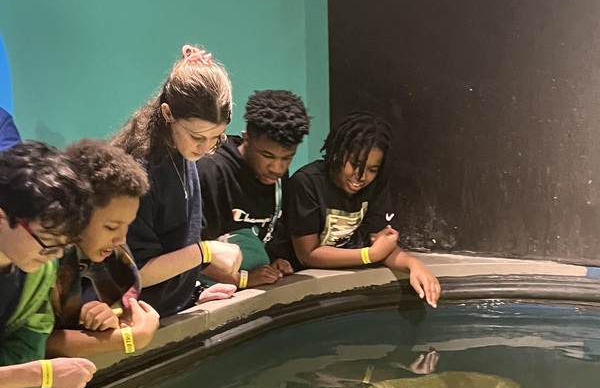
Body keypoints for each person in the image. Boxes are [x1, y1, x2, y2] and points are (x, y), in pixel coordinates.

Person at [113, 45, 241, 317]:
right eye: (197, 137)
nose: (206, 148)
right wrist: (204, 252)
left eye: (216, 137)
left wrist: (192, 293)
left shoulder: (184, 151)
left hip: (172, 311)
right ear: (168, 113)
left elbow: (175, 243)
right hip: (135, 320)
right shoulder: (138, 170)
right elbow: (134, 273)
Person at [280, 112, 441, 307]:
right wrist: (369, 255)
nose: (361, 176)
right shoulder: (307, 182)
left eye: (372, 169)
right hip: (295, 282)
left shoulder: (376, 186)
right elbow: (307, 255)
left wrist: (414, 265)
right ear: (338, 154)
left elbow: (380, 244)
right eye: (355, 164)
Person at [47, 139, 160, 358]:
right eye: (111, 227)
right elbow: (37, 343)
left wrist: (107, 314)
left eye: (127, 226)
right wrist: (129, 340)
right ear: (77, 214)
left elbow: (124, 293)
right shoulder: (41, 256)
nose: (121, 239)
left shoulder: (91, 247)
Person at [0, 141, 96, 388]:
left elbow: (28, 341)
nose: (55, 254)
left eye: (65, 244)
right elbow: (30, 369)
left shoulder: (37, 270)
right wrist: (40, 374)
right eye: (48, 241)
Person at [197, 89, 310, 289]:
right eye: (267, 156)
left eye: (287, 158)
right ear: (246, 138)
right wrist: (243, 280)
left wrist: (273, 262)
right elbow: (190, 254)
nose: (277, 168)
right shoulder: (211, 171)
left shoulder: (277, 175)